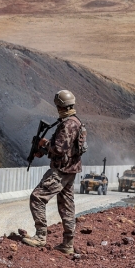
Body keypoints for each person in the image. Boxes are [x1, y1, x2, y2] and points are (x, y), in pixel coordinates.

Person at [22, 90, 86, 254]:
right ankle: (67, 244)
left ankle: (40, 237)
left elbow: (59, 148)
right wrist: (43, 150)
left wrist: (44, 145)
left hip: (61, 170)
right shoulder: (75, 122)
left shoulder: (67, 124)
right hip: (70, 170)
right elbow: (67, 147)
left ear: (59, 105)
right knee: (67, 205)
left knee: (37, 197)